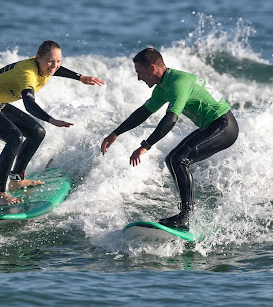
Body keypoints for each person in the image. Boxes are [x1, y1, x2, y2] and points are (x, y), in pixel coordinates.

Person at [100, 47, 238, 230]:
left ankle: (186, 217)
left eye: (140, 73)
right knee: (173, 159)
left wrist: (146, 146)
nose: (139, 78)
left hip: (224, 125)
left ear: (152, 68)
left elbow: (171, 119)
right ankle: (186, 215)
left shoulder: (178, 82)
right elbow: (143, 113)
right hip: (212, 126)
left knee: (179, 159)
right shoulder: (163, 87)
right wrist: (115, 133)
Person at [0, 40, 105, 206]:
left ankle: (16, 180)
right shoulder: (27, 74)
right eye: (50, 61)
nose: (54, 65)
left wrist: (79, 77)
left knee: (37, 132)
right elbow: (29, 104)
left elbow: (55, 70)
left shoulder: (41, 64)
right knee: (14, 137)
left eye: (58, 61)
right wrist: (51, 119)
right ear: (38, 58)